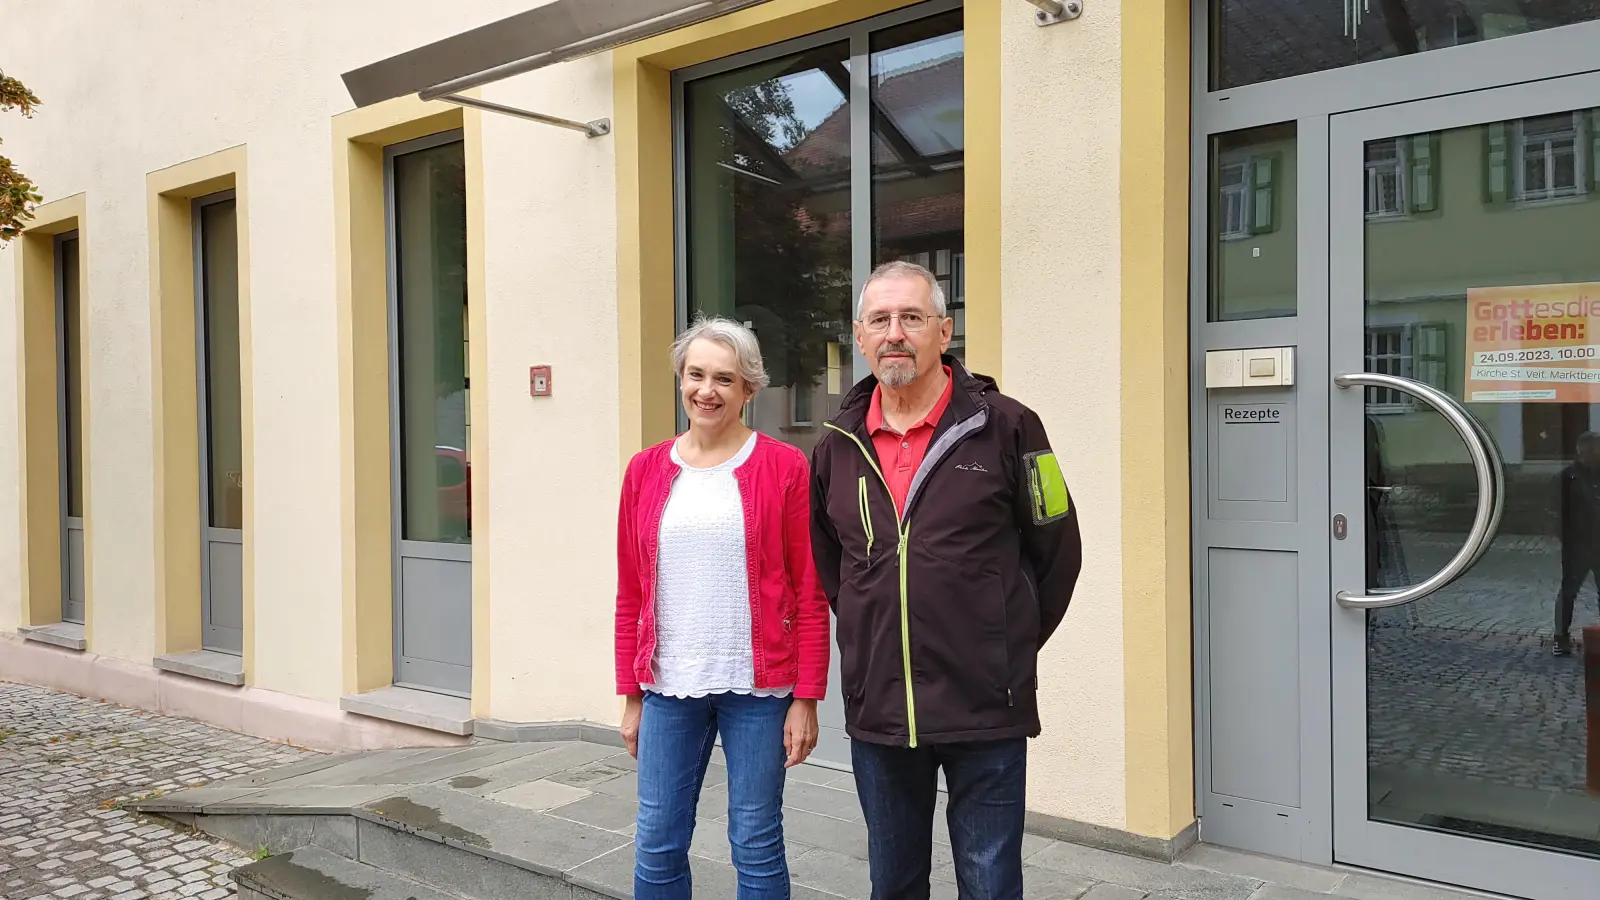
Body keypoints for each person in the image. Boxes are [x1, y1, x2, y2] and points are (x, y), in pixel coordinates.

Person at [809, 261, 1083, 899]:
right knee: (894, 883)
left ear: (944, 331)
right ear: (860, 334)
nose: (895, 334)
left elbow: (1058, 547)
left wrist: (1003, 643)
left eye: (912, 318)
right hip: (880, 708)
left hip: (985, 705)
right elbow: (834, 567)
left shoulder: (1012, 427)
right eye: (880, 320)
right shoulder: (835, 446)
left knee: (990, 884)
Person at [614, 315, 831, 899]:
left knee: (756, 840)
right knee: (657, 841)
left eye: (724, 379)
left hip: (759, 690)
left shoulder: (784, 467)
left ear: (749, 389)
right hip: (668, 686)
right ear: (681, 380)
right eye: (696, 375)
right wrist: (631, 697)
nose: (706, 390)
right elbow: (631, 592)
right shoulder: (644, 470)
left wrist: (806, 698)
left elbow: (809, 590)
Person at [1554, 431, 1600, 656]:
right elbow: (1557, 512)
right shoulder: (1568, 477)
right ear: (1584, 452)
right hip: (1578, 546)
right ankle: (1561, 637)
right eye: (1595, 450)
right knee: (1568, 592)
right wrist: (1569, 540)